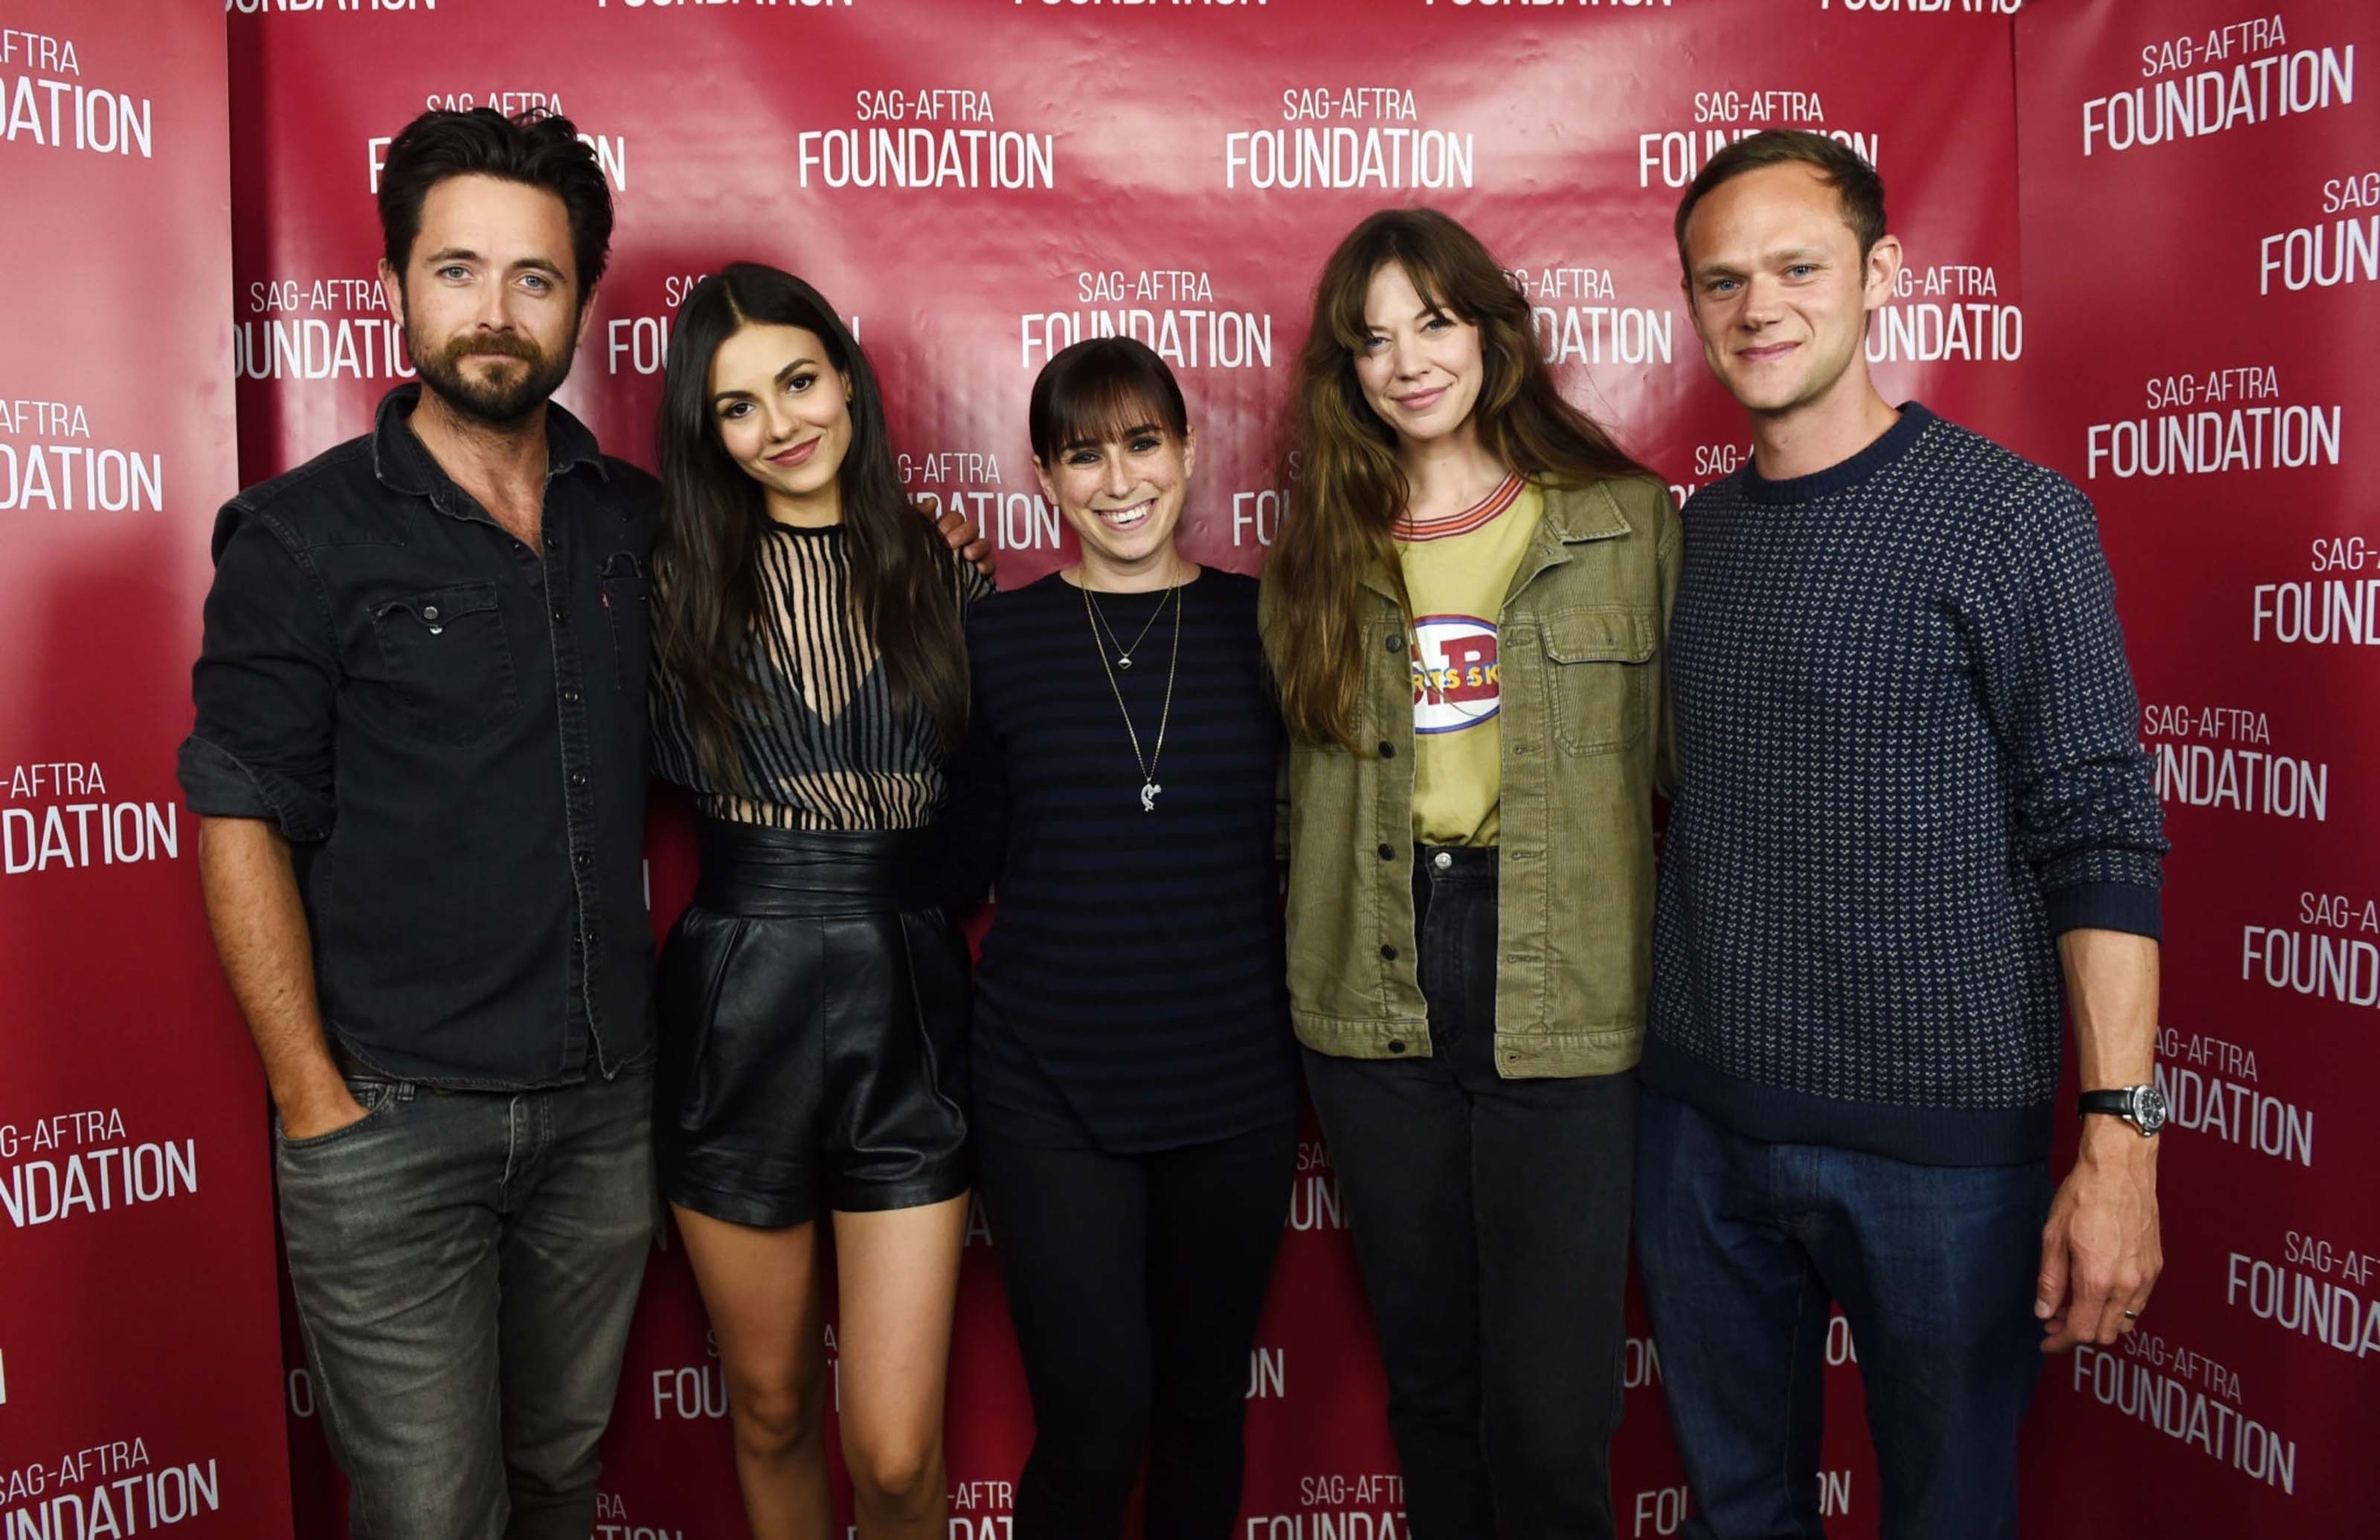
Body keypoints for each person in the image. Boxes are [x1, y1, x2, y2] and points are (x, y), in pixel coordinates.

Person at [1637, 129, 2169, 1540]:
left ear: (1882, 274)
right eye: (1723, 281)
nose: (1760, 309)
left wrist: (2120, 1144)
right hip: (1697, 1129)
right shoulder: (1694, 536)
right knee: (1736, 1514)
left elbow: (2101, 825)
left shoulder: (2014, 520)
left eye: (1798, 267)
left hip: (1941, 1156)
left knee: (1950, 1516)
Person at [179, 109, 655, 1539]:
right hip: (388, 1124)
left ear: (580, 300)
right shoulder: (299, 535)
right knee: (434, 1521)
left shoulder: (637, 518)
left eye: (535, 277)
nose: (496, 314)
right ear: (392, 288)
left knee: (560, 1486)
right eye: (457, 271)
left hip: (604, 1115)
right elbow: (240, 817)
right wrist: (318, 1113)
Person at [1258, 208, 1678, 1539]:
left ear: (1494, 332)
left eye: (1433, 321)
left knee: (1555, 1419)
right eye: (1371, 339)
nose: (1407, 361)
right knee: (1434, 1391)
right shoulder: (1323, 544)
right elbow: (1282, 800)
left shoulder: (1624, 520)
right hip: (1376, 971)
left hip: (1561, 969)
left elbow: (1693, 773)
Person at [647, 262, 988, 1540]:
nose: (781, 422)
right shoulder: (665, 586)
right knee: (774, 1406)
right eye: (738, 407)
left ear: (846, 380)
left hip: (908, 1001)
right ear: (707, 432)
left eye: (798, 380)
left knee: (898, 1455)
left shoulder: (942, 571)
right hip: (739, 1010)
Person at [945, 337, 1299, 1538]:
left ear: (1189, 451)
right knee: (1094, 1428)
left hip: (1236, 1083)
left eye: (1142, 443)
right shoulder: (995, 642)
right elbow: (956, 864)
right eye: (1082, 454)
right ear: (1044, 478)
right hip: (1049, 1087)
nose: (1119, 479)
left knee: (1202, 1416)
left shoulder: (1271, 630)